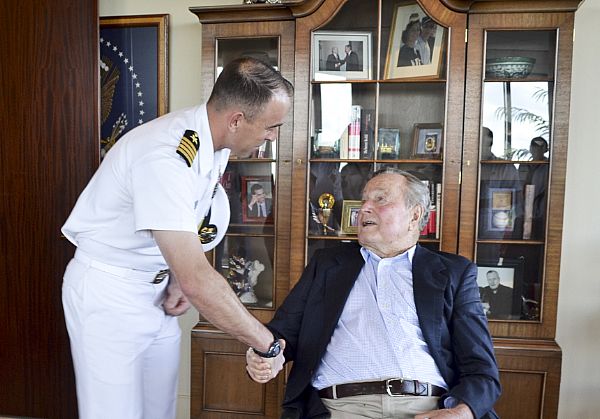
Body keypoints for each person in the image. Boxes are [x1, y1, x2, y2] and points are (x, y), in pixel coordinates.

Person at [60, 57, 292, 419]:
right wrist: (266, 344)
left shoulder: (211, 143)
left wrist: (177, 276)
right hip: (109, 295)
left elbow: (191, 224)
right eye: (271, 127)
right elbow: (198, 279)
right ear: (236, 120)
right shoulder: (166, 155)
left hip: (157, 291)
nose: (273, 136)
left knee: (159, 412)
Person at [246, 168, 501, 419]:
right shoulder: (328, 265)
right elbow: (282, 334)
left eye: (380, 199)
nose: (364, 208)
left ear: (415, 216)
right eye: (364, 200)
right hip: (341, 408)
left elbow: (481, 370)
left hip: (427, 407)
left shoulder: (453, 272)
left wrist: (460, 413)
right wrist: (265, 355)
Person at [518, 137, 549, 238]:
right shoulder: (523, 166)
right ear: (530, 148)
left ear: (545, 149)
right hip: (524, 207)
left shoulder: (549, 166)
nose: (537, 150)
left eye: (540, 147)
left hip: (541, 211)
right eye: (534, 147)